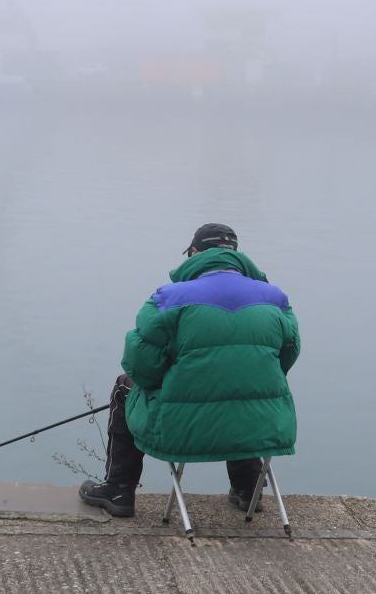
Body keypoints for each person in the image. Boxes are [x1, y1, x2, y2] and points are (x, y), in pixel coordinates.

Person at [79, 222, 301, 518]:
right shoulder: (276, 299)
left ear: (194, 253)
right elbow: (287, 357)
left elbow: (140, 364)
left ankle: (119, 490)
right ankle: (249, 487)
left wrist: (177, 380)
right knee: (244, 381)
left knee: (125, 385)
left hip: (180, 428)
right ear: (235, 255)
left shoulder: (168, 298)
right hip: (266, 426)